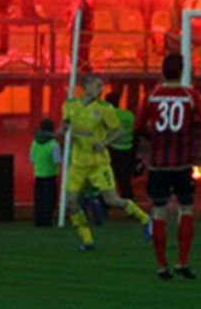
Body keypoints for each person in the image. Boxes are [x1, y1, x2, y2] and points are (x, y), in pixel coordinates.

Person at [134, 53, 201, 280]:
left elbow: (138, 125)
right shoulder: (189, 95)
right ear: (182, 71)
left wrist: (153, 137)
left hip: (159, 165)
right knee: (186, 209)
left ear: (162, 70)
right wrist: (191, 124)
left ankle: (161, 265)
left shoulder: (152, 96)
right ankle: (183, 261)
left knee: (159, 211)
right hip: (182, 164)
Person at [61, 75, 152, 252]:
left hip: (98, 163)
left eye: (101, 86)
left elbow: (118, 130)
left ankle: (146, 220)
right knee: (71, 202)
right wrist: (63, 129)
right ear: (86, 87)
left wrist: (104, 143)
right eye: (97, 86)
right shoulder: (69, 105)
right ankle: (87, 240)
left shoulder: (104, 109)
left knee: (112, 199)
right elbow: (65, 123)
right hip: (78, 163)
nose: (100, 89)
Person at [104, 89, 137, 201]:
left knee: (108, 178)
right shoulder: (128, 114)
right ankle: (129, 203)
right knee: (124, 180)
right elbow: (135, 131)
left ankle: (107, 203)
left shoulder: (107, 116)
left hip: (111, 149)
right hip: (127, 149)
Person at [30, 119, 62, 227]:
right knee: (50, 201)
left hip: (38, 175)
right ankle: (47, 221)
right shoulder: (54, 144)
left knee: (39, 200)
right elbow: (57, 160)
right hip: (50, 175)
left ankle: (38, 221)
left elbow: (32, 159)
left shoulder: (34, 142)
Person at [72, 0, 95, 72]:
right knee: (80, 52)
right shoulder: (83, 4)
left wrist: (72, 26)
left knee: (82, 52)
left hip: (82, 33)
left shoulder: (84, 5)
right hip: (83, 32)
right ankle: (81, 66)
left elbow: (82, 19)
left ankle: (82, 67)